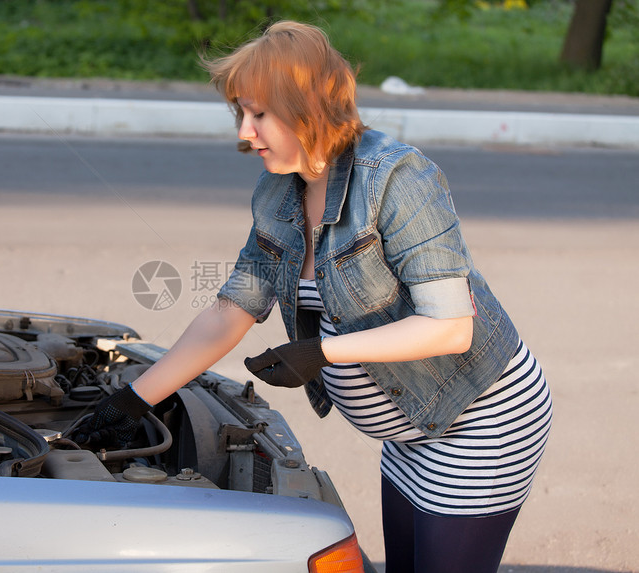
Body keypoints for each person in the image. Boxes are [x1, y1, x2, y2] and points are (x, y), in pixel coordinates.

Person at [76, 20, 552, 573]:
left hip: (479, 422)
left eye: (259, 115)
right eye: (240, 114)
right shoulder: (279, 190)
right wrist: (134, 400)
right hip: (409, 431)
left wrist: (322, 353)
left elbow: (450, 327)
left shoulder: (397, 179)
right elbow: (232, 308)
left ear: (309, 107)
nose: (244, 134)